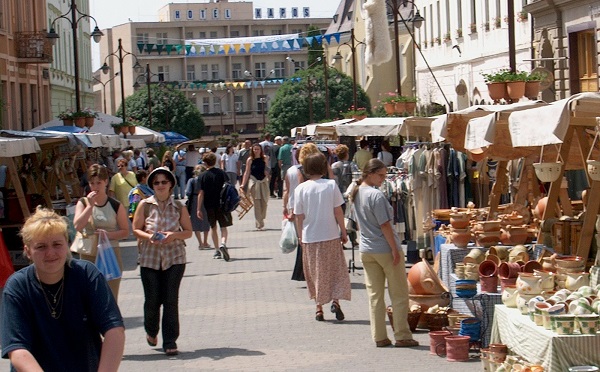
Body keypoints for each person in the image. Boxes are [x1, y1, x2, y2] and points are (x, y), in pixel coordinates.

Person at [1, 208, 125, 371]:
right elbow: (17, 350)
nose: (50, 253)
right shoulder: (17, 286)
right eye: (41, 246)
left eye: (57, 244)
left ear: (67, 244)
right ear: (27, 251)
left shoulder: (86, 274)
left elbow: (114, 330)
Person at [349, 158, 419, 348]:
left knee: (375, 295)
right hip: (384, 249)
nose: (383, 179)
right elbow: (385, 225)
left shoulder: (356, 192)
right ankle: (402, 335)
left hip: (367, 250)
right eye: (380, 175)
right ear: (370, 173)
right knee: (399, 294)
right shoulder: (375, 195)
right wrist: (395, 250)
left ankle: (379, 336)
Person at [132, 167, 192, 356]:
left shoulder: (179, 206)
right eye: (156, 182)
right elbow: (136, 229)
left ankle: (170, 341)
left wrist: (173, 235)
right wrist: (148, 237)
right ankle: (151, 330)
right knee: (152, 300)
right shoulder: (145, 205)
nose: (160, 186)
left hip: (174, 258)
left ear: (171, 184)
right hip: (150, 258)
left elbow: (188, 232)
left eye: (163, 182)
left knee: (170, 300)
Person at [294, 152, 351, 322]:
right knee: (334, 269)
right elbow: (338, 210)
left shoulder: (300, 189)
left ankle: (318, 308)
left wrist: (299, 235)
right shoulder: (330, 185)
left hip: (310, 236)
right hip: (330, 234)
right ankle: (336, 301)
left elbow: (299, 215)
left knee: (314, 272)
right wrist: (344, 230)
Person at [74, 164, 130, 300]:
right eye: (92, 183)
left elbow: (125, 231)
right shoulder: (83, 203)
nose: (95, 186)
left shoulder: (115, 205)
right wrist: (90, 206)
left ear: (106, 182)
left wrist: (108, 235)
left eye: (99, 182)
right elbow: (77, 226)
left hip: (110, 253)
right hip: (89, 253)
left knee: (110, 295)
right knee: (90, 296)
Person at [282, 143, 321, 282]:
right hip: (308, 208)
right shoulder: (304, 171)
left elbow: (286, 190)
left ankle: (303, 272)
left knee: (303, 241)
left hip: (295, 207)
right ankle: (308, 272)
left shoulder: (291, 170)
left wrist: (285, 207)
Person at [197, 152, 232, 261]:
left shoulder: (202, 176)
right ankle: (223, 243)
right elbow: (228, 187)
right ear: (215, 161)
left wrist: (198, 208)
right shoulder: (221, 173)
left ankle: (217, 250)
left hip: (209, 205)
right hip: (222, 204)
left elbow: (201, 193)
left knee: (213, 227)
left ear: (205, 163)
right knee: (224, 227)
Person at [241, 143, 270, 231]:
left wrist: (267, 173)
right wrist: (243, 184)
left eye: (258, 149)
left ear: (261, 150)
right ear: (252, 150)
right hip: (254, 182)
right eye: (254, 149)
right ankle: (259, 223)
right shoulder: (250, 159)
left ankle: (261, 218)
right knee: (257, 203)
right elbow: (247, 172)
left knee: (264, 202)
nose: (256, 151)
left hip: (263, 181)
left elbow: (266, 169)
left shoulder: (265, 158)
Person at [186, 164, 211, 250]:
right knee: (206, 221)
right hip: (205, 200)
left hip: (194, 201)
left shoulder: (191, 180)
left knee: (195, 222)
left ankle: (200, 243)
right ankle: (205, 241)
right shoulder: (206, 180)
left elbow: (188, 192)